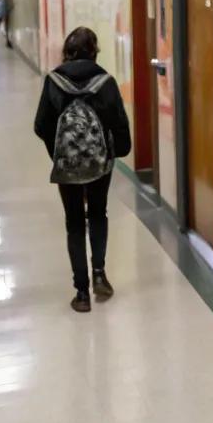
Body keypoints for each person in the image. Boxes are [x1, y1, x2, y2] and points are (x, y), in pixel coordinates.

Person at [34, 26, 131, 313]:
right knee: (98, 213)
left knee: (74, 221)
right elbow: (120, 124)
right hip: (100, 163)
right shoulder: (106, 82)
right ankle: (100, 273)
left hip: (67, 165)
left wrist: (60, 153)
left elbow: (41, 125)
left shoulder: (53, 82)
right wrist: (117, 151)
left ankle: (81, 292)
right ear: (94, 52)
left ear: (66, 51)